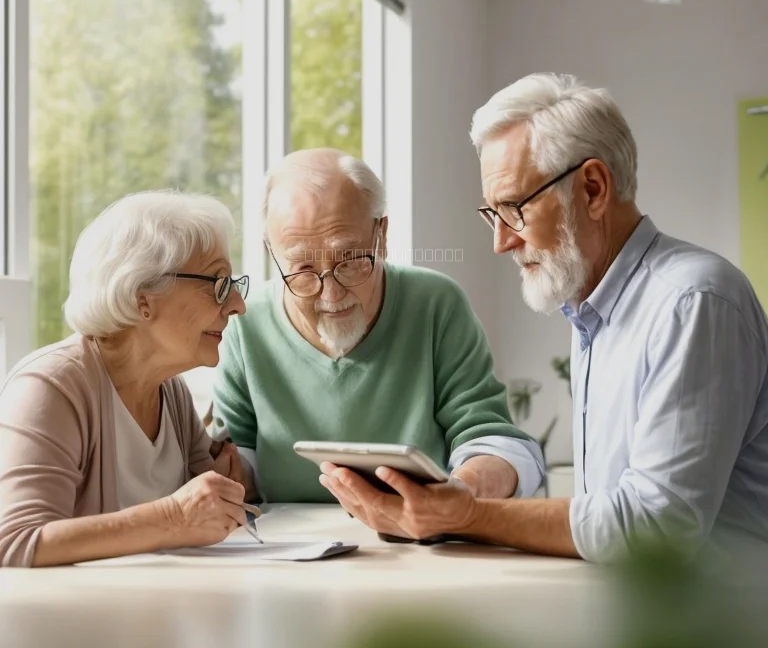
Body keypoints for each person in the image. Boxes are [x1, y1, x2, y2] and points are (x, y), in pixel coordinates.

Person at [319, 73, 768, 563]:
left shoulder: (692, 302)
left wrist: (465, 515)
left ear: (593, 189)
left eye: (514, 208)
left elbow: (657, 527)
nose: (501, 241)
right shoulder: (595, 309)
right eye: (492, 214)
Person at [212, 148, 544, 518]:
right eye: (302, 269)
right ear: (272, 253)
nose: (331, 295)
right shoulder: (244, 321)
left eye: (351, 261)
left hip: (416, 542)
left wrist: (458, 494)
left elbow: (496, 442)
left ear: (381, 235)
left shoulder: (435, 303)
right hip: (285, 547)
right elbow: (240, 460)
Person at [0, 190, 254, 567]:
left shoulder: (171, 392)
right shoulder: (50, 386)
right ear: (143, 299)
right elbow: (15, 542)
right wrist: (174, 518)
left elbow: (209, 509)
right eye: (218, 284)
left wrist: (226, 491)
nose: (237, 305)